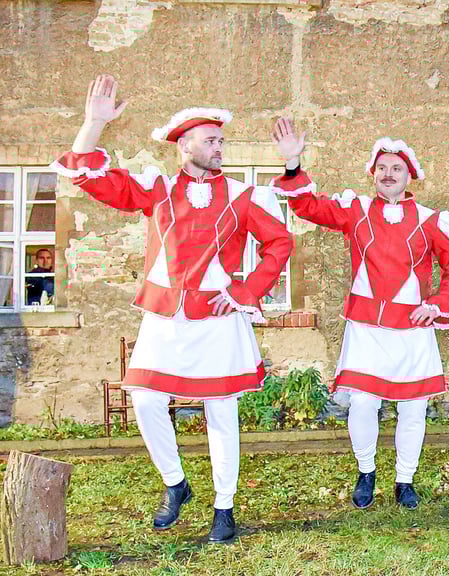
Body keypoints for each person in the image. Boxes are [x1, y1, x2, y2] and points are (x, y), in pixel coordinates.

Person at [49, 74, 296, 542]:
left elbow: (279, 243)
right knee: (145, 398)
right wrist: (93, 124)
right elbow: (91, 178)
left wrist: (246, 292)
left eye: (221, 140)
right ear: (184, 145)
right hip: (164, 316)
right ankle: (176, 484)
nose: (219, 146)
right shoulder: (157, 187)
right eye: (210, 140)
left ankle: (225, 508)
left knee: (221, 411)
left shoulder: (244, 195)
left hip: (220, 319)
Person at [271, 119, 449, 510]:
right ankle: (366, 471)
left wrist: (439, 303)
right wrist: (293, 162)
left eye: (396, 168)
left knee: (413, 407)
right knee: (363, 404)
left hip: (414, 326)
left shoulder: (431, 219)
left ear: (410, 174)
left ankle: (405, 480)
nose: (388, 174)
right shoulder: (355, 210)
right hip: (366, 326)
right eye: (381, 168)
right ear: (373, 175)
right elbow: (307, 206)